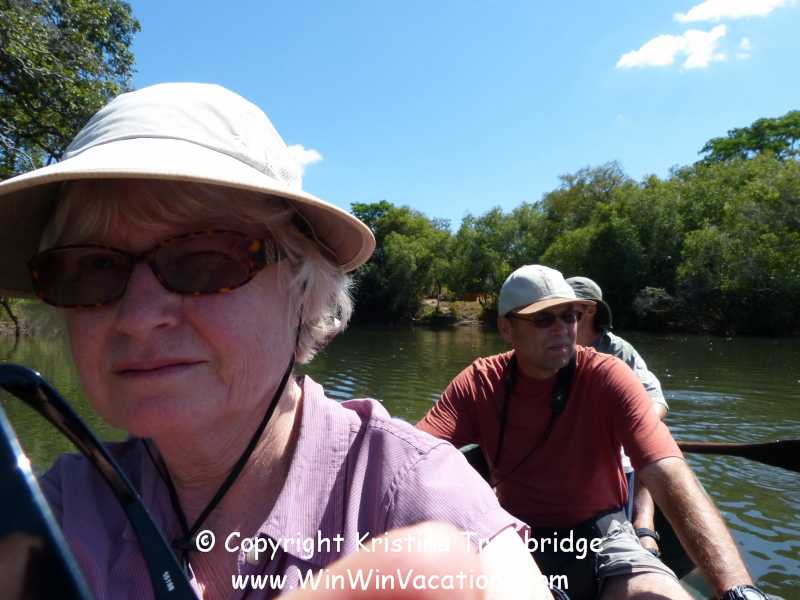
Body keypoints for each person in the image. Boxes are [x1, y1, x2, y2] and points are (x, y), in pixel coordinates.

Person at [0, 84, 551, 600]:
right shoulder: (54, 511)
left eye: (204, 259)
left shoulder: (410, 492)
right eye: (92, 268)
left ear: (303, 293)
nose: (139, 318)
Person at [416, 265, 768, 600]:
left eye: (569, 316)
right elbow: (414, 459)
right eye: (543, 319)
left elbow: (666, 470)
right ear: (506, 328)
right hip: (515, 536)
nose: (562, 329)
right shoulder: (478, 383)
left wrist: (737, 589)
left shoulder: (608, 375)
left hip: (604, 533)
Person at [565, 276, 666, 557]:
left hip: (613, 447)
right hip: (567, 444)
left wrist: (632, 427)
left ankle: (643, 525)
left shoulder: (619, 350)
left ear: (590, 310)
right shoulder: (552, 347)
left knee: (647, 443)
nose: (558, 321)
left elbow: (656, 401)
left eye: (569, 311)